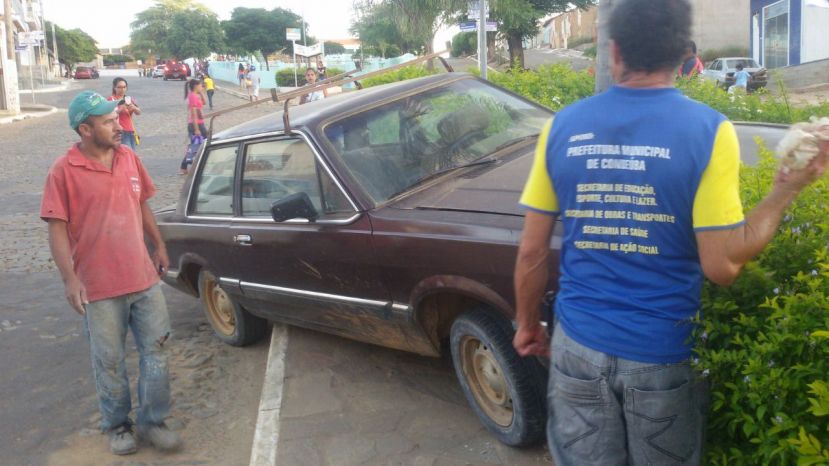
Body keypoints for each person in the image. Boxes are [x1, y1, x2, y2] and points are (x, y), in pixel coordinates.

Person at [511, 0, 829, 464]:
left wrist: (526, 325)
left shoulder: (561, 127)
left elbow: (531, 252)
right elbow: (721, 266)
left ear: (613, 51)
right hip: (662, 352)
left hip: (578, 342)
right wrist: (786, 188)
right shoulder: (709, 130)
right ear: (684, 55)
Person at [40, 91, 182, 456]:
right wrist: (70, 279)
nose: (117, 126)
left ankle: (154, 421)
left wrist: (159, 245)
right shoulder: (63, 171)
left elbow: (142, 204)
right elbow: (56, 228)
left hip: (144, 279)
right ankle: (118, 425)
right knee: (110, 363)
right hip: (99, 289)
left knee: (157, 352)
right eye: (107, 122)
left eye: (116, 119)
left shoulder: (129, 158)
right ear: (85, 129)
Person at [107, 78, 141, 150]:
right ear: (114, 87)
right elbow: (107, 116)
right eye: (119, 87)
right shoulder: (111, 99)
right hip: (119, 132)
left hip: (131, 131)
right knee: (127, 155)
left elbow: (139, 112)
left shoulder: (128, 99)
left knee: (131, 155)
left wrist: (134, 108)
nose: (122, 89)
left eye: (124, 87)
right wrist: (121, 109)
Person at [181, 79, 207, 174]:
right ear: (195, 86)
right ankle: (184, 166)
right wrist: (196, 129)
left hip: (200, 123)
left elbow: (204, 103)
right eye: (200, 85)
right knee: (196, 145)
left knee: (197, 145)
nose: (202, 87)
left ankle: (186, 166)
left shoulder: (196, 95)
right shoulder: (192, 97)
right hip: (195, 124)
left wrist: (201, 93)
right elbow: (194, 113)